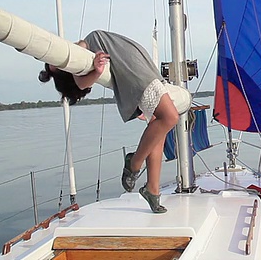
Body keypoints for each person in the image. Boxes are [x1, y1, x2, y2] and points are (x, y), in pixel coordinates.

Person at [38, 30, 179, 213]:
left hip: (138, 61)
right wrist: (97, 71)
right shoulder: (75, 56)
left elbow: (79, 68)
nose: (57, 58)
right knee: (170, 117)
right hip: (134, 69)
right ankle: (134, 163)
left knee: (158, 126)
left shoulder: (81, 46)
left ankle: (153, 189)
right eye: (56, 64)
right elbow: (81, 84)